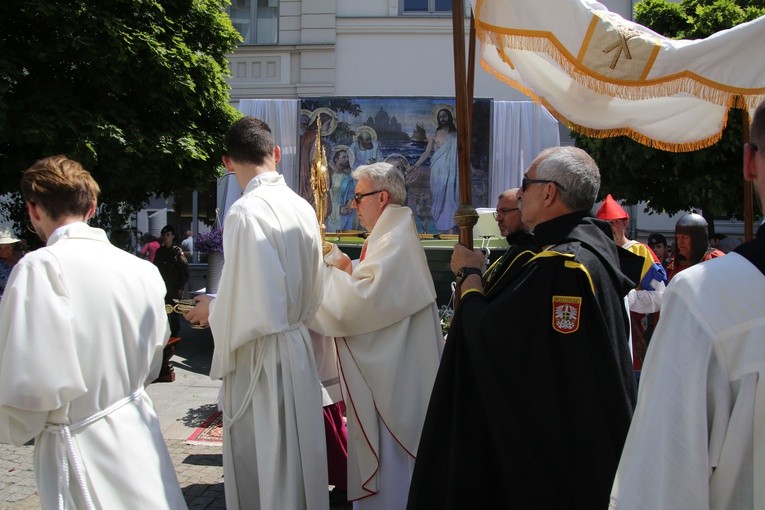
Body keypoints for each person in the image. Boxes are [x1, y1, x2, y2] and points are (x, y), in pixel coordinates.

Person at [408, 146, 637, 509]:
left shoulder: (562, 266)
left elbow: (494, 341)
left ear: (549, 194)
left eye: (525, 184)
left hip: (557, 457)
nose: (519, 192)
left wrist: (469, 275)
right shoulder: (589, 251)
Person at [0, 155, 186, 509]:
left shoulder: (41, 267)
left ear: (33, 210)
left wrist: (14, 425)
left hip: (82, 445)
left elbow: (30, 389)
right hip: (138, 429)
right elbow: (154, 356)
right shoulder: (141, 270)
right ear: (92, 206)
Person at [608, 100, 765, 509]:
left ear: (749, 162)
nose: (679, 242)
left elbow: (662, 485)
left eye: (684, 236)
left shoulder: (707, 294)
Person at [183, 116, 328, 510]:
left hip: (262, 360)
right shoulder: (301, 207)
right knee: (296, 459)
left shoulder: (245, 212)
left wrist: (213, 310)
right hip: (296, 349)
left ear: (228, 162)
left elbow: (256, 302)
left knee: (268, 462)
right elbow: (313, 286)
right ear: (276, 154)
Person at [311, 162, 445, 508]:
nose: (353, 205)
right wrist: (346, 267)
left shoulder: (396, 237)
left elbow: (361, 305)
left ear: (381, 197)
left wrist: (321, 281)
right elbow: (375, 287)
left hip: (397, 385)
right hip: (394, 375)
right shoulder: (391, 233)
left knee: (396, 480)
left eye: (359, 198)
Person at [596, 194, 668, 368]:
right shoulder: (594, 253)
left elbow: (660, 297)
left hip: (634, 338)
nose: (611, 228)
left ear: (625, 223)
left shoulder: (641, 252)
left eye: (615, 222)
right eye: (605, 224)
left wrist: (630, 298)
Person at [482, 188, 538, 297]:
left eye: (505, 211)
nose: (498, 218)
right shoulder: (516, 248)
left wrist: (471, 270)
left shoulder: (528, 252)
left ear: (524, 211)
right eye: (497, 212)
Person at [411, 107, 459, 232]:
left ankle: (449, 226)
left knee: (450, 198)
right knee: (437, 197)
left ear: (449, 117)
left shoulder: (455, 135)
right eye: (440, 117)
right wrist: (415, 165)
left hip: (451, 172)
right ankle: (438, 225)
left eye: (444, 116)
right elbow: (426, 153)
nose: (442, 119)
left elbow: (462, 154)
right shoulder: (435, 135)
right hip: (437, 171)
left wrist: (471, 168)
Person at [154, 224, 189, 383]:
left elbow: (184, 271)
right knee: (162, 313)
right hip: (162, 286)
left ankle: (174, 337)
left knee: (174, 313)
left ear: (173, 236)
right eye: (163, 234)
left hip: (174, 288)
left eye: (168, 234)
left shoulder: (177, 252)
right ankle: (164, 337)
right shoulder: (160, 252)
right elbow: (156, 269)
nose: (165, 236)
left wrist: (181, 288)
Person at [666, 212, 725, 280]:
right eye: (678, 237)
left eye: (686, 237)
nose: (680, 242)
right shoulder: (673, 265)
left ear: (698, 239)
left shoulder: (716, 260)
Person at [327, 146, 357, 232]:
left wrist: (348, 205)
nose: (347, 159)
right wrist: (338, 209)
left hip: (343, 214)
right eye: (343, 157)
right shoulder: (329, 176)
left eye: (347, 157)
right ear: (336, 159)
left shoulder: (347, 178)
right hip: (331, 212)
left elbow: (351, 193)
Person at [0, 227, 22, 294]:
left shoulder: (23, 256)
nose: (3, 251)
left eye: (7, 247)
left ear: (12, 245)